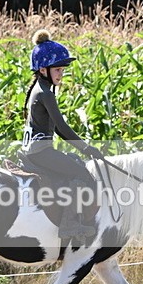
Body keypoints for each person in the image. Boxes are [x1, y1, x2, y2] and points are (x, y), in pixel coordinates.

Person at [22, 29, 104, 239]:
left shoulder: (41, 88)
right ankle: (69, 225)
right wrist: (87, 148)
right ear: (42, 69)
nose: (61, 74)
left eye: (62, 69)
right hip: (40, 151)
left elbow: (57, 129)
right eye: (57, 69)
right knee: (81, 173)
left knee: (74, 163)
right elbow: (62, 127)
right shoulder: (45, 93)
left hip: (35, 149)